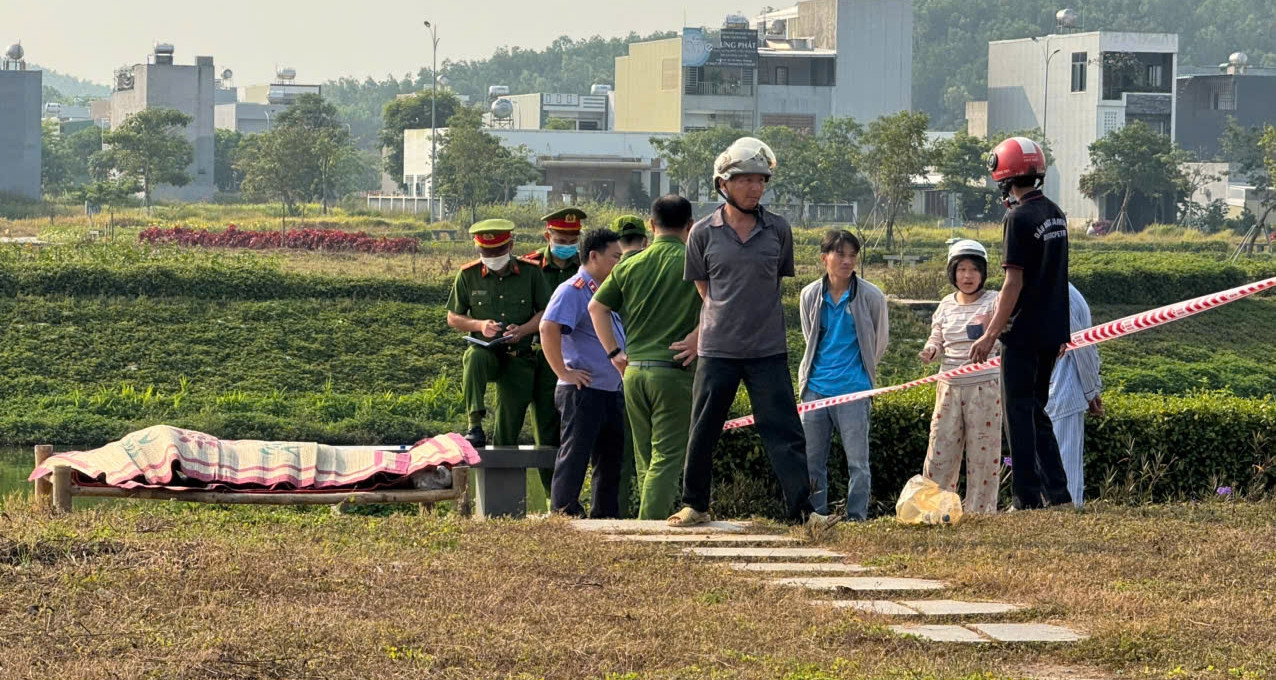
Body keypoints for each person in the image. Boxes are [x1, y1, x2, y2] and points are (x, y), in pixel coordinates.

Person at [670, 137, 822, 528]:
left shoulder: (778, 229)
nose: (756, 188)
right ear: (723, 184)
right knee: (702, 429)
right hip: (717, 349)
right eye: (746, 180)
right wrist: (724, 317)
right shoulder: (702, 233)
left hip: (767, 348)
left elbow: (775, 279)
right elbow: (704, 287)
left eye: (761, 180)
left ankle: (803, 511)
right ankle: (695, 505)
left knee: (784, 432)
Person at [970, 136, 1073, 510]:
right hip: (1051, 330)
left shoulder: (1018, 218)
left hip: (1023, 332)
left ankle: (1026, 497)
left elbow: (1013, 282)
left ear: (1003, 176)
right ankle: (1058, 494)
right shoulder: (1055, 213)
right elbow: (1057, 277)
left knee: (1018, 414)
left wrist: (990, 333)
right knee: (1036, 411)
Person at [591, 196, 702, 521]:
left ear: (652, 225)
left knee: (646, 459)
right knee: (666, 459)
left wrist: (614, 353)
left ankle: (647, 520)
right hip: (673, 371)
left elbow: (596, 307)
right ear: (690, 225)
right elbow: (719, 305)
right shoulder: (694, 262)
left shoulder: (630, 264)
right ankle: (648, 529)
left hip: (634, 371)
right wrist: (697, 336)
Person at [797, 230, 889, 521]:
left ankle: (856, 516)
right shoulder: (810, 295)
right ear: (824, 258)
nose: (847, 261)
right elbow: (809, 336)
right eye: (840, 254)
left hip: (854, 389)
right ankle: (816, 515)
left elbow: (879, 342)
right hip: (816, 389)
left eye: (852, 255)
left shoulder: (871, 296)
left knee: (858, 463)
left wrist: (860, 372)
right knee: (812, 461)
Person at [540, 229, 627, 518]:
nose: (619, 263)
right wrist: (563, 371)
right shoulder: (574, 289)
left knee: (610, 458)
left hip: (610, 389)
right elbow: (548, 328)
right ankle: (564, 511)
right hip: (583, 389)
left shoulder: (603, 293)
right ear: (594, 256)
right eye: (615, 257)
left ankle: (605, 515)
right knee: (575, 454)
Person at [445, 219, 550, 449]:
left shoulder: (530, 273)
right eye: (486, 252)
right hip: (486, 352)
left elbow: (546, 311)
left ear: (511, 246)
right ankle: (474, 425)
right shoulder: (468, 274)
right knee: (473, 357)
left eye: (498, 251)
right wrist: (480, 325)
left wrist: (523, 329)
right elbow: (453, 317)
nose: (492, 257)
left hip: (518, 355)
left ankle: (504, 455)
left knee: (508, 426)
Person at [919, 239, 1003, 514]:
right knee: (940, 451)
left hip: (985, 388)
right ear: (952, 272)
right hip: (949, 387)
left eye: (974, 269)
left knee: (983, 454)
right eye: (962, 269)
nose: (968, 276)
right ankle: (937, 510)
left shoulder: (995, 300)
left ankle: (981, 513)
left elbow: (1006, 330)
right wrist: (931, 350)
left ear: (983, 273)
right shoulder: (945, 304)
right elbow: (937, 338)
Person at [525, 207, 586, 499]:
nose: (568, 244)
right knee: (545, 425)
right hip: (542, 355)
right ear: (547, 236)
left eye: (573, 239)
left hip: (580, 356)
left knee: (577, 428)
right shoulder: (529, 267)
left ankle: (573, 493)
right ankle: (552, 494)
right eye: (562, 239)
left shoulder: (587, 265)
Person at [1046, 283, 1103, 508]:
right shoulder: (1058, 289)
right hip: (1057, 389)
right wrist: (1092, 389)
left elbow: (1082, 348)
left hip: (1063, 388)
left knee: (1064, 461)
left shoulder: (1060, 293)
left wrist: (1091, 391)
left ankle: (1067, 510)